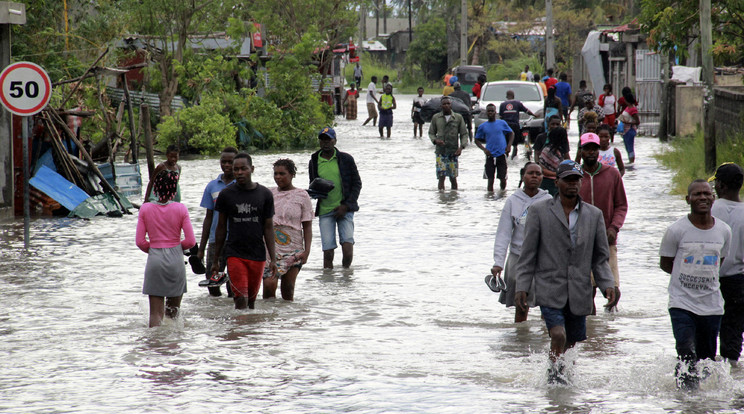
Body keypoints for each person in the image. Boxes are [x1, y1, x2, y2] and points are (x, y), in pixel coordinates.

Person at [515, 160, 617, 384]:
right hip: (550, 287)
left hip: (579, 289)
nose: (573, 184)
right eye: (568, 180)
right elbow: (528, 253)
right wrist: (521, 286)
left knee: (571, 342)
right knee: (558, 335)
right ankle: (553, 377)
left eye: (576, 180)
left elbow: (600, 258)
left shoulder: (594, 215)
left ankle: (564, 380)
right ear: (557, 182)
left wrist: (608, 285)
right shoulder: (539, 211)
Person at [660, 179, 731, 391]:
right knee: (685, 350)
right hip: (681, 302)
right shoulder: (676, 230)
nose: (702, 197)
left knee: (706, 359)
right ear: (687, 199)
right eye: (697, 194)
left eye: (706, 194)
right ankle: (686, 397)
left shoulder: (724, 231)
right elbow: (666, 263)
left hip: (711, 305)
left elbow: (720, 261)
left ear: (713, 198)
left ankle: (700, 402)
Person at [212, 153, 277, 310]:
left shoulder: (265, 194)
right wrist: (216, 259)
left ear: (252, 169)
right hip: (235, 253)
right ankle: (238, 332)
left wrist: (273, 259)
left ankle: (249, 333)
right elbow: (221, 228)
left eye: (243, 169)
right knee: (240, 298)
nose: (239, 172)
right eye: (236, 169)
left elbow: (268, 227)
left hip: (257, 254)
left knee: (252, 302)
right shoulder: (226, 195)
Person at [489, 162, 551, 322]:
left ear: (542, 178)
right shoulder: (513, 201)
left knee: (548, 306)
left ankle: (549, 341)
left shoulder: (548, 200)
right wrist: (498, 263)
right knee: (521, 304)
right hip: (518, 259)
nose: (535, 177)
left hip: (542, 260)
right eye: (531, 173)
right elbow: (503, 233)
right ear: (523, 176)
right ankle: (520, 341)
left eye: (538, 174)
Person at [136, 170, 196, 327]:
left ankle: (155, 347)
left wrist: (156, 249)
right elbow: (190, 241)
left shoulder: (145, 209)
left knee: (155, 315)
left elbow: (140, 242)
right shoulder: (181, 209)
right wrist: (174, 248)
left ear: (155, 188)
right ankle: (174, 346)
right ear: (174, 190)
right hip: (176, 260)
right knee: (173, 313)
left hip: (155, 260)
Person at [578, 132, 627, 313]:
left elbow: (621, 206)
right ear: (581, 151)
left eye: (594, 149)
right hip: (581, 242)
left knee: (612, 289)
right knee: (586, 291)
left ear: (598, 151)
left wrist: (614, 228)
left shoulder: (612, 174)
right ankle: (590, 332)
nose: (591, 152)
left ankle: (609, 332)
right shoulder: (575, 176)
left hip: (607, 240)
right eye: (587, 149)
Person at [308, 127, 362, 269]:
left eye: (329, 140)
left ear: (335, 141)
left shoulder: (346, 159)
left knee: (348, 251)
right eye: (323, 140)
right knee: (328, 254)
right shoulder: (314, 160)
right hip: (325, 210)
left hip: (345, 209)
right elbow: (313, 185)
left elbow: (357, 184)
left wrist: (346, 205)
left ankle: (346, 277)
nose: (325, 143)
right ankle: (328, 285)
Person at [262, 159, 313, 301]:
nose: (278, 177)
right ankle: (268, 319)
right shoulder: (268, 193)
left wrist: (307, 251)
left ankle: (288, 319)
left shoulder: (302, 195)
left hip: (294, 247)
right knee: (269, 284)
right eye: (275, 174)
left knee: (288, 288)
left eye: (282, 173)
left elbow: (307, 226)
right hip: (271, 248)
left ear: (292, 174)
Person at [709, 163, 744, 367]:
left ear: (720, 185)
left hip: (711, 279)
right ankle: (732, 378)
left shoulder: (710, 209)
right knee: (733, 333)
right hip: (739, 281)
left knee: (707, 329)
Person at [198, 146, 238, 297]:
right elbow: (208, 217)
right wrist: (201, 248)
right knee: (212, 281)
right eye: (224, 161)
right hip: (216, 240)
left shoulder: (241, 184)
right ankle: (216, 312)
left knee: (234, 285)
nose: (227, 165)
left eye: (230, 162)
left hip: (236, 240)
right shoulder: (212, 186)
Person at [428, 96, 469, 191]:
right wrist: (435, 140)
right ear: (441, 106)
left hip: (453, 152)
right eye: (444, 104)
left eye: (448, 104)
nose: (446, 105)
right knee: (441, 177)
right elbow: (431, 133)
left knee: (453, 177)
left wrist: (461, 147)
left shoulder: (458, 118)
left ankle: (453, 198)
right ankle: (441, 198)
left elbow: (464, 134)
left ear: (451, 105)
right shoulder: (436, 118)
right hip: (440, 152)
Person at [474, 104, 514, 192]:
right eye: (489, 111)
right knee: (490, 180)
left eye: (492, 111)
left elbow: (511, 133)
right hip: (490, 155)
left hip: (501, 154)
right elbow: (476, 140)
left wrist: (509, 145)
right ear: (486, 113)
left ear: (495, 112)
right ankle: (490, 199)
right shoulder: (482, 126)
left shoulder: (502, 123)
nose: (490, 113)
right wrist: (484, 149)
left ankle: (502, 195)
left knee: (503, 179)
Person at [533, 120, 570, 196]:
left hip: (558, 182)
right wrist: (558, 174)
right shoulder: (547, 151)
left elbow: (568, 162)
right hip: (547, 183)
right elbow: (542, 170)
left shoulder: (561, 150)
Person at [499, 90, 536, 159]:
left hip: (505, 126)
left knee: (506, 143)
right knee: (515, 144)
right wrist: (535, 115)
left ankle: (506, 157)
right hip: (515, 126)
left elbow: (501, 117)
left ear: (506, 96)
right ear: (513, 96)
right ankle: (513, 158)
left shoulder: (502, 104)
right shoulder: (517, 103)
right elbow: (527, 111)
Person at [618, 91, 639, 164]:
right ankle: (630, 161)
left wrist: (627, 122)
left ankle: (631, 161)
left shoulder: (633, 109)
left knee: (630, 147)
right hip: (625, 131)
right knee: (627, 147)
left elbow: (637, 122)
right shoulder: (627, 108)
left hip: (630, 130)